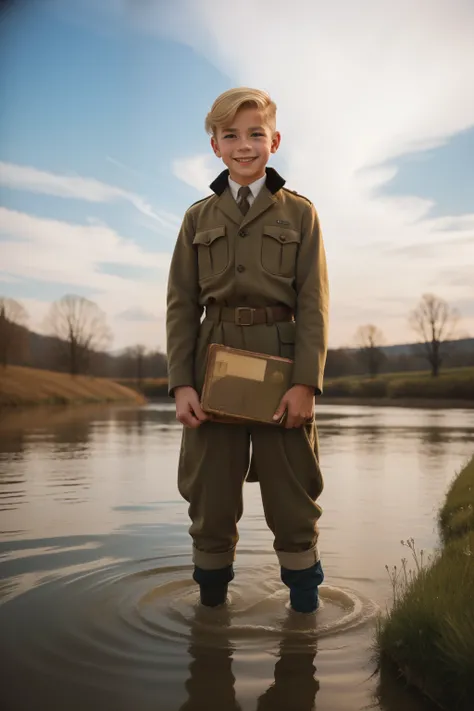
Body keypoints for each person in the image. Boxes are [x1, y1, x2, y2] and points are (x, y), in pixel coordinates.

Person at [166, 87, 329, 613]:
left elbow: (315, 304)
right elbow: (180, 306)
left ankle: (304, 616)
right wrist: (181, 383)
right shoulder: (197, 218)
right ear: (214, 145)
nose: (243, 145)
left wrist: (307, 383)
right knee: (210, 501)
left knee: (293, 502)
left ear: (274, 140)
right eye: (230, 135)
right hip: (212, 372)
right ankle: (210, 621)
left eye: (255, 134)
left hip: (284, 377)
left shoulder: (301, 214)